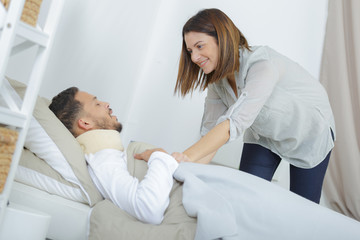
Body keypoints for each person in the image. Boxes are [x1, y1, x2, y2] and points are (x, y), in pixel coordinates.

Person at [170, 8, 335, 204]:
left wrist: (183, 157)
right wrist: (182, 174)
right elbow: (211, 136)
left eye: (199, 46)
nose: (194, 57)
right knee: (244, 198)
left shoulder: (262, 65)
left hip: (309, 132)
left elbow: (234, 124)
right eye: (190, 51)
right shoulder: (216, 82)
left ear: (221, 39)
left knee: (303, 211)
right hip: (264, 136)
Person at [49, 87, 179, 225]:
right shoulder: (103, 160)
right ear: (85, 123)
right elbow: (148, 208)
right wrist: (160, 157)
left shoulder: (108, 153)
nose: (107, 103)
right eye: (97, 104)